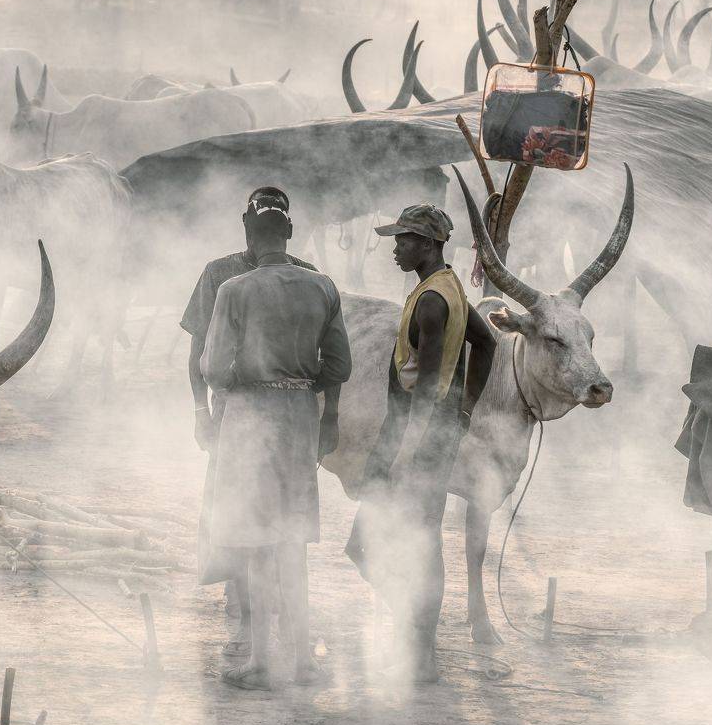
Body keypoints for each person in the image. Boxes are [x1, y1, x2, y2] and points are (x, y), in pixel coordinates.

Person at [199, 194, 351, 690]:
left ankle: (261, 661)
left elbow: (214, 369)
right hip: (300, 416)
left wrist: (248, 380)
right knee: (292, 541)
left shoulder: (234, 289)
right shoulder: (322, 285)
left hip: (250, 419)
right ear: (290, 234)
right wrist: (302, 384)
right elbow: (340, 365)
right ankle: (303, 661)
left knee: (258, 542)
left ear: (249, 234)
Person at [347, 203, 497, 683]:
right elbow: (486, 344)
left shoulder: (432, 301)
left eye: (405, 240)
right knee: (413, 541)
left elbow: (428, 388)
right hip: (433, 431)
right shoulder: (448, 287)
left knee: (383, 544)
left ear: (430, 244)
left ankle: (419, 649)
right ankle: (417, 649)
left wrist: (402, 453)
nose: (396, 248)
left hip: (416, 434)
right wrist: (465, 410)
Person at [181, 187, 319, 665]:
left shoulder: (307, 276)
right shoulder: (219, 274)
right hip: (238, 416)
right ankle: (245, 615)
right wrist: (201, 411)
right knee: (238, 516)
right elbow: (198, 353)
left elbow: (319, 353)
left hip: (274, 414)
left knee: (278, 517)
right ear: (246, 225)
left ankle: (277, 626)